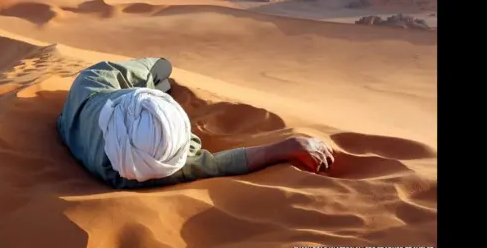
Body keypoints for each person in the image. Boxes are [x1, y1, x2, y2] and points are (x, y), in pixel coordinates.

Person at [57, 57, 335, 189]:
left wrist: (285, 147)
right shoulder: (153, 168)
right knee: (159, 72)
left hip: (90, 94)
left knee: (156, 72)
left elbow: (216, 163)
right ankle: (157, 87)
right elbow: (221, 164)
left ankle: (154, 85)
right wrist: (288, 146)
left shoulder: (126, 169)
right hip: (104, 109)